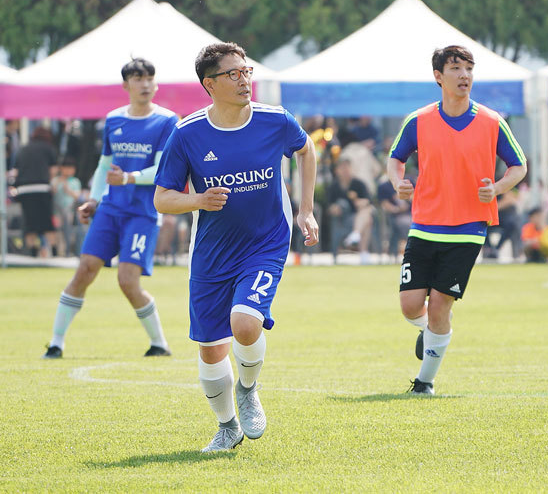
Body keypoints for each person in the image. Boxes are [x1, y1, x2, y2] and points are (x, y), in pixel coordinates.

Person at [154, 42, 319, 453]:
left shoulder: (275, 120)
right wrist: (198, 200)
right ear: (210, 84)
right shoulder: (187, 133)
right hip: (211, 252)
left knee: (246, 323)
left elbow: (306, 150)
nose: (245, 79)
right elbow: (162, 198)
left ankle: (248, 388)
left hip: (265, 242)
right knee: (211, 349)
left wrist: (306, 211)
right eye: (234, 74)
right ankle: (227, 426)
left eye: (247, 71)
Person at [387, 45, 527, 395]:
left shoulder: (492, 121)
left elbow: (519, 166)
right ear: (439, 77)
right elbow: (395, 159)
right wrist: (398, 183)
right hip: (424, 224)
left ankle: (425, 381)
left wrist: (495, 189)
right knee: (409, 305)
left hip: (468, 229)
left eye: (468, 68)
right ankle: (432, 332)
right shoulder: (418, 120)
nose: (464, 75)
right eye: (455, 68)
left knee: (439, 304)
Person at [42, 59, 178, 359]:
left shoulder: (167, 121)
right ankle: (55, 344)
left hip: (143, 213)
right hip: (110, 210)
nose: (144, 84)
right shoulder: (114, 120)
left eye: (149, 78)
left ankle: (159, 344)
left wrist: (128, 178)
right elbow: (106, 164)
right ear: (125, 85)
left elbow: (164, 171)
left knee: (127, 280)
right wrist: (94, 199)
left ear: (155, 84)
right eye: (137, 78)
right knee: (84, 270)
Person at [12, 126, 58, 257]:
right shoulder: (48, 148)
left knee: (29, 223)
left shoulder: (23, 149)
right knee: (47, 222)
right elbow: (53, 170)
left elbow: (16, 171)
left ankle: (32, 252)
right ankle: (54, 251)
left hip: (24, 190)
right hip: (42, 188)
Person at [326, 158, 375, 263]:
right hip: (342, 219)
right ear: (337, 170)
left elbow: (369, 201)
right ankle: (363, 252)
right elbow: (328, 206)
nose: (345, 171)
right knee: (367, 220)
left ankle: (356, 234)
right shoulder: (334, 186)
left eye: (347, 168)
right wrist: (334, 209)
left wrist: (359, 201)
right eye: (342, 168)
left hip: (358, 216)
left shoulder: (358, 184)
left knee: (366, 214)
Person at [51, 158, 83, 256]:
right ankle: (58, 251)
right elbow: (51, 193)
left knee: (68, 230)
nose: (68, 171)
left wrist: (68, 189)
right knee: (57, 231)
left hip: (70, 210)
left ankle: (68, 251)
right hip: (56, 210)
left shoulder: (75, 181)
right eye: (66, 168)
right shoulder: (55, 180)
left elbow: (77, 196)